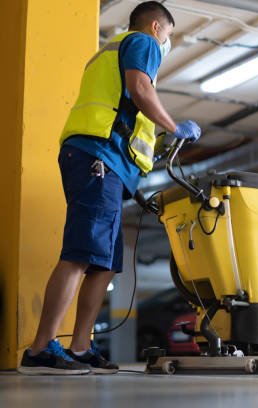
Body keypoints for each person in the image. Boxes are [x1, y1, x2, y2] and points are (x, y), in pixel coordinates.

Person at [18, 1, 201, 375]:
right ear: (156, 27)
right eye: (168, 36)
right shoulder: (141, 42)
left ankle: (82, 347)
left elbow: (125, 109)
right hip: (96, 157)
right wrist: (172, 125)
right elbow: (139, 89)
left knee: (104, 263)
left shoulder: (110, 53)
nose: (165, 45)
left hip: (105, 163)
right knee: (81, 253)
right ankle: (39, 350)